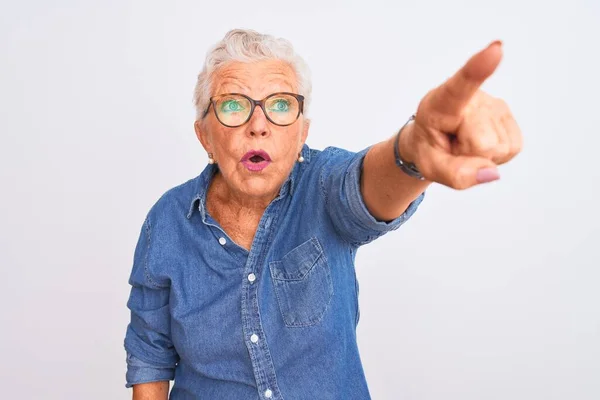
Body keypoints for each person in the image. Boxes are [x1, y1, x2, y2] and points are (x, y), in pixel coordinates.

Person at [123, 29, 522, 399]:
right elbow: (150, 353)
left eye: (281, 105)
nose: (258, 125)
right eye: (233, 105)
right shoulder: (167, 220)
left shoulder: (325, 186)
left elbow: (365, 187)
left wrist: (413, 150)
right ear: (204, 135)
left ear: (302, 132)